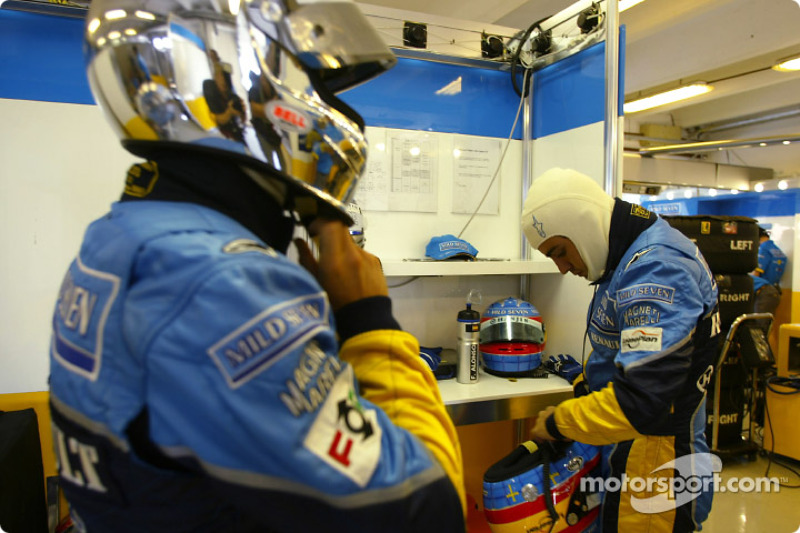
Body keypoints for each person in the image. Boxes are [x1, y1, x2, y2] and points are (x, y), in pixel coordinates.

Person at [48, 0, 465, 531]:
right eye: (318, 81)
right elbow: (427, 511)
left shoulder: (121, 236)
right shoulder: (220, 284)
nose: (333, 105)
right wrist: (369, 321)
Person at [520, 168, 721, 532]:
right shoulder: (627, 257)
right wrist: (584, 386)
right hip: (627, 454)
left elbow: (640, 400)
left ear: (582, 224)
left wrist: (560, 421)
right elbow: (618, 354)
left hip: (657, 473)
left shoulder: (656, 269)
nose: (563, 268)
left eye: (561, 252)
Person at [750, 224, 787, 319]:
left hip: (763, 292)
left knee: (759, 325)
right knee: (768, 324)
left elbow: (756, 273)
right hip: (775, 290)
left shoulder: (763, 249)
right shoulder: (777, 250)